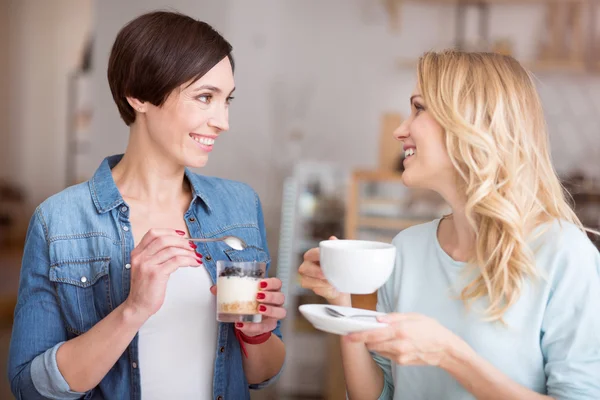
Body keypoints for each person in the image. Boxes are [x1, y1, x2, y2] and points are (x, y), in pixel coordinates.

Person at [8, 10, 285, 400]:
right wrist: (133, 309)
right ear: (138, 95)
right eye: (205, 97)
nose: (222, 121)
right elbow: (29, 387)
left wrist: (257, 336)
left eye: (227, 100)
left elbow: (262, 375)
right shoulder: (60, 220)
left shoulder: (239, 206)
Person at [299, 50, 600, 399]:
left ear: (472, 123)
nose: (400, 130)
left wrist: (451, 356)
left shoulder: (563, 254)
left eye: (419, 108)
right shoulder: (407, 249)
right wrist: (343, 302)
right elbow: (378, 394)